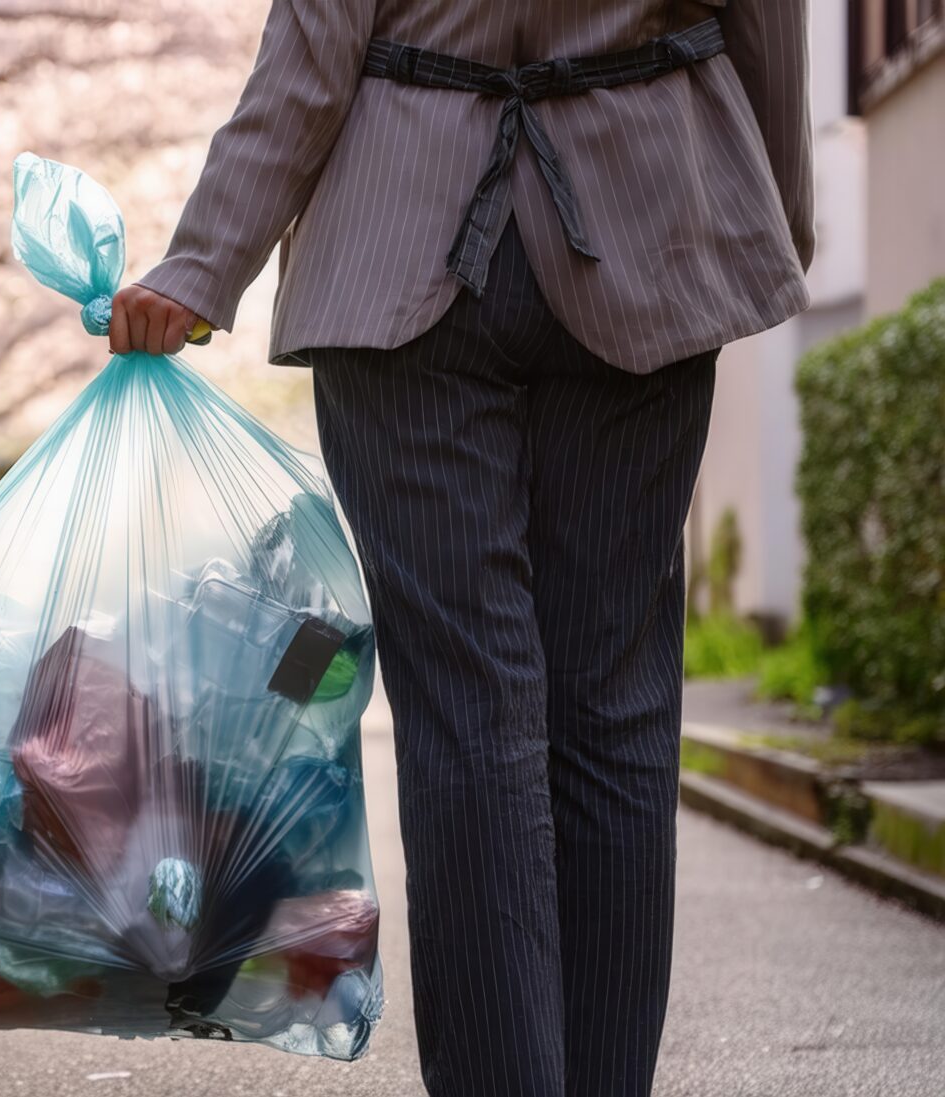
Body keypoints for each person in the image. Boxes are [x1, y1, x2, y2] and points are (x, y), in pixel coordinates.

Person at [109, 3, 812, 1095]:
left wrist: (204, 264)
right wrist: (771, 219)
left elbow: (313, 47)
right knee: (616, 707)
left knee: (469, 715)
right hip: (653, 213)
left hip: (399, 233)